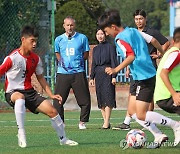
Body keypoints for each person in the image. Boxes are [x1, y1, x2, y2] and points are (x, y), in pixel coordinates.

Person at [98, 9, 180, 148]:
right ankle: (158, 135)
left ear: (113, 27)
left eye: (106, 31)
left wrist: (115, 70)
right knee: (133, 112)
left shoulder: (120, 39)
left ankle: (175, 126)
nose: (106, 34)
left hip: (144, 77)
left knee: (141, 114)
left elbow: (131, 56)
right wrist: (162, 54)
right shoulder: (134, 31)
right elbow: (153, 40)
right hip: (142, 75)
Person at [0, 25, 78, 148]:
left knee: (53, 111)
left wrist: (51, 95)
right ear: (23, 40)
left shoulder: (36, 59)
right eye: (32, 41)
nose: (35, 44)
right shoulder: (12, 58)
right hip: (12, 92)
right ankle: (21, 132)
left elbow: (41, 78)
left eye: (36, 40)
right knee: (19, 98)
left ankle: (63, 139)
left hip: (30, 92)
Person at [114, 9, 170, 130]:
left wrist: (160, 55)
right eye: (136, 19)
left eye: (141, 19)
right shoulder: (131, 32)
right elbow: (130, 53)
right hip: (136, 69)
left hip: (148, 68)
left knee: (148, 98)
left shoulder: (151, 32)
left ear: (145, 19)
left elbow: (165, 42)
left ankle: (149, 122)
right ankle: (127, 122)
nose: (139, 21)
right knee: (133, 94)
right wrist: (129, 68)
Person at [53, 16, 91, 130]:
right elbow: (57, 53)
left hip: (78, 72)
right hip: (63, 73)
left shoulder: (82, 38)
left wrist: (78, 62)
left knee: (85, 100)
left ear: (74, 25)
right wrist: (62, 62)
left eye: (71, 25)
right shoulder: (58, 39)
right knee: (58, 100)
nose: (70, 27)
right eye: (67, 25)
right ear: (64, 26)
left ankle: (82, 122)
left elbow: (86, 53)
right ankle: (61, 123)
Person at [89, 29, 118, 129]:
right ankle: (106, 121)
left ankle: (106, 122)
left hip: (108, 73)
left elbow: (114, 62)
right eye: (98, 34)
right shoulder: (95, 49)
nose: (100, 36)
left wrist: (114, 76)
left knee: (108, 97)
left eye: (101, 34)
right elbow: (93, 64)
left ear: (105, 34)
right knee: (100, 98)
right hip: (98, 75)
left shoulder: (110, 47)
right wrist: (91, 77)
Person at [154, 27, 180, 115]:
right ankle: (175, 125)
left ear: (173, 41)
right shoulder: (176, 54)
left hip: (165, 96)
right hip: (167, 96)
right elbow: (163, 73)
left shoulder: (170, 53)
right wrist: (174, 94)